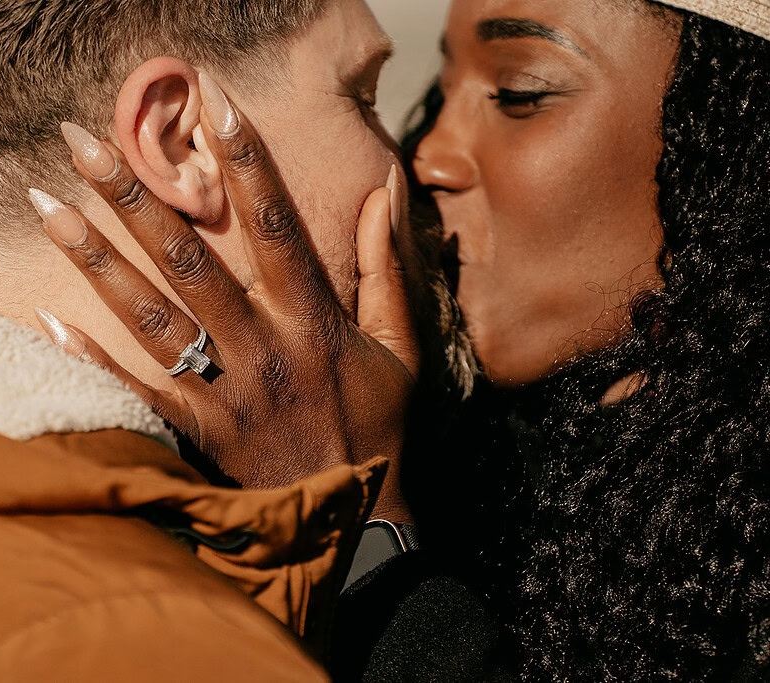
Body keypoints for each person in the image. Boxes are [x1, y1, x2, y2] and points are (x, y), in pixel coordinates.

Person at [58, 0, 770, 679]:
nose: (426, 155)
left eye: (519, 94)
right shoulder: (473, 450)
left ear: (737, 135)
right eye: (441, 87)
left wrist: (345, 524)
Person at [0, 0, 434, 679]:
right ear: (182, 142)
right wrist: (355, 533)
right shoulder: (147, 643)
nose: (419, 165)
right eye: (362, 95)